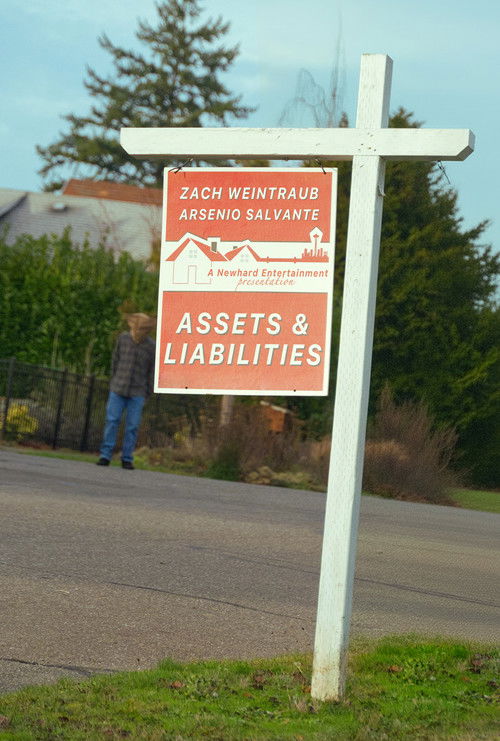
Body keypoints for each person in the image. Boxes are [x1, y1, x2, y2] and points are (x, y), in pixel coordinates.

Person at [97, 313, 156, 469]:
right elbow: (115, 361)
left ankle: (127, 457)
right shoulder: (123, 339)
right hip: (118, 388)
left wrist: (148, 392)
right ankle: (105, 455)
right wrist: (113, 381)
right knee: (112, 421)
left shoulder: (151, 346)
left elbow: (151, 371)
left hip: (138, 392)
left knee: (132, 426)